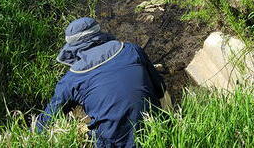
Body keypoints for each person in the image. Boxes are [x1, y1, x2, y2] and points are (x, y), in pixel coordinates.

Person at [36, 17, 165, 148]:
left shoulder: (72, 79)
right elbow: (160, 87)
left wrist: (31, 131)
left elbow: (49, 117)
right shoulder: (131, 49)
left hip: (112, 144)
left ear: (73, 48)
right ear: (100, 35)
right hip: (155, 130)